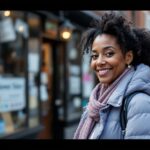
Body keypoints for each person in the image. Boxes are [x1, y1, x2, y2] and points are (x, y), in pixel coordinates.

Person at [73, 12, 150, 139]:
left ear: (128, 57)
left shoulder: (139, 103)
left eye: (109, 54)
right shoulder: (96, 103)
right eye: (94, 56)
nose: (99, 62)